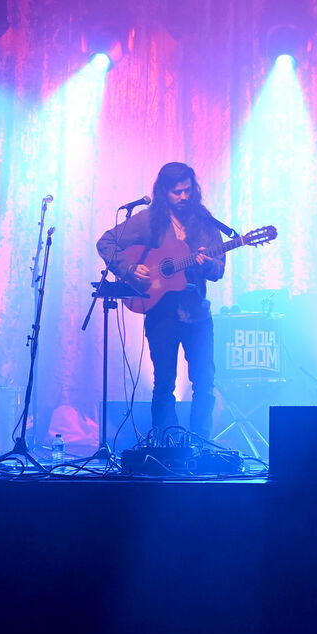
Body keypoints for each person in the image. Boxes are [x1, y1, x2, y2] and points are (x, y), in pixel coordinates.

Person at [96, 162, 226, 439]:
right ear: (164, 192)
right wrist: (130, 270)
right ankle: (166, 446)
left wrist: (205, 264)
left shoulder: (205, 223)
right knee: (164, 383)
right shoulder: (147, 220)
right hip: (161, 315)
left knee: (204, 382)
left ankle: (202, 443)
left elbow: (219, 269)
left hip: (198, 314)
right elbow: (106, 242)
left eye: (188, 191)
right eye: (177, 192)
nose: (184, 197)